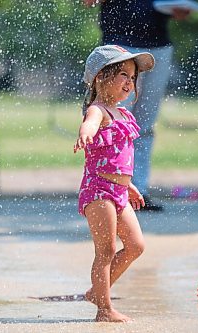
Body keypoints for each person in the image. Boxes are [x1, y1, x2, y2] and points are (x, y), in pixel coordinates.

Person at [83, 0, 191, 211]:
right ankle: (103, 190)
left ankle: (138, 192)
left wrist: (179, 8)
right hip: (120, 45)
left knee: (144, 126)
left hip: (158, 45)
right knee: (112, 122)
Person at [74, 45, 155, 322]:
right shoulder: (98, 110)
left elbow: (121, 158)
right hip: (98, 191)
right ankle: (104, 309)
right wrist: (85, 134)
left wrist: (128, 184)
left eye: (132, 77)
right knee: (106, 250)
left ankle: (98, 292)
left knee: (136, 246)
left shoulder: (125, 115)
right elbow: (90, 123)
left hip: (119, 190)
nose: (129, 82)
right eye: (122, 74)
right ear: (100, 77)